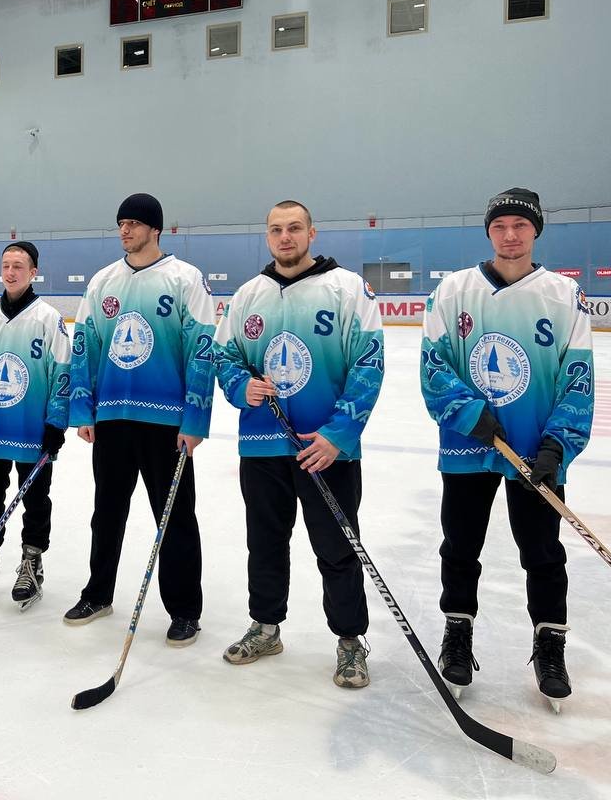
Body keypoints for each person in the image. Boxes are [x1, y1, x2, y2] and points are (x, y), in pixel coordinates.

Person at [420, 187, 593, 711]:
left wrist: (557, 444)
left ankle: (550, 645)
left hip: (534, 450)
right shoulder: (454, 291)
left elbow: (578, 378)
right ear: (489, 232)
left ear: (535, 231)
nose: (510, 235)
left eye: (520, 225)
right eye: (500, 226)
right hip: (467, 446)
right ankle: (457, 635)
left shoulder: (563, 295)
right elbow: (433, 365)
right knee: (460, 546)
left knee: (542, 553)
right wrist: (466, 414)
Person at [213, 200, 384, 689]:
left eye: (293, 228)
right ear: (267, 237)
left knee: (337, 547)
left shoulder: (347, 288)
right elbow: (224, 355)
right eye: (275, 230)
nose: (284, 237)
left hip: (324, 448)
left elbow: (369, 362)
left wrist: (338, 435)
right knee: (265, 543)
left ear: (312, 233)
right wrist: (240, 386)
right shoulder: (248, 295)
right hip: (262, 446)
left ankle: (350, 640)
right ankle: (266, 628)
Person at [66, 193, 216, 646]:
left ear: (155, 229)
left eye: (133, 223)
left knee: (175, 517)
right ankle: (98, 593)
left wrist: (195, 418)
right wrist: (83, 408)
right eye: (121, 223)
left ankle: (185, 610)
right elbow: (84, 346)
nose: (125, 230)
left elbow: (202, 350)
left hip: (167, 424)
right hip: (112, 418)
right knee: (106, 513)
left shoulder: (185, 278)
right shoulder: (103, 281)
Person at [0, 241, 69, 609]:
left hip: (33, 428)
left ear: (33, 272)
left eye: (18, 266)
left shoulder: (48, 318)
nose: (10, 272)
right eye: (5, 265)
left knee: (36, 498)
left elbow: (62, 372)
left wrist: (56, 422)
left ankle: (32, 563)